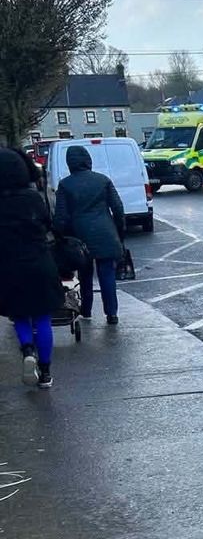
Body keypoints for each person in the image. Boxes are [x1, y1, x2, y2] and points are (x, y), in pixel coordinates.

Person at [0, 148, 64, 388]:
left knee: (19, 316)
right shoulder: (33, 199)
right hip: (39, 262)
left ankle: (27, 350)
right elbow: (49, 224)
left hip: (8, 267)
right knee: (42, 318)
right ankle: (46, 372)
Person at [53, 146, 125, 325]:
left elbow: (61, 217)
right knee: (107, 274)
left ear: (70, 163)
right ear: (88, 160)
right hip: (106, 234)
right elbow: (118, 208)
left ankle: (86, 309)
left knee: (85, 274)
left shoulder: (65, 185)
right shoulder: (103, 180)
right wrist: (119, 232)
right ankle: (111, 313)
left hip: (79, 237)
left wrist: (59, 237)